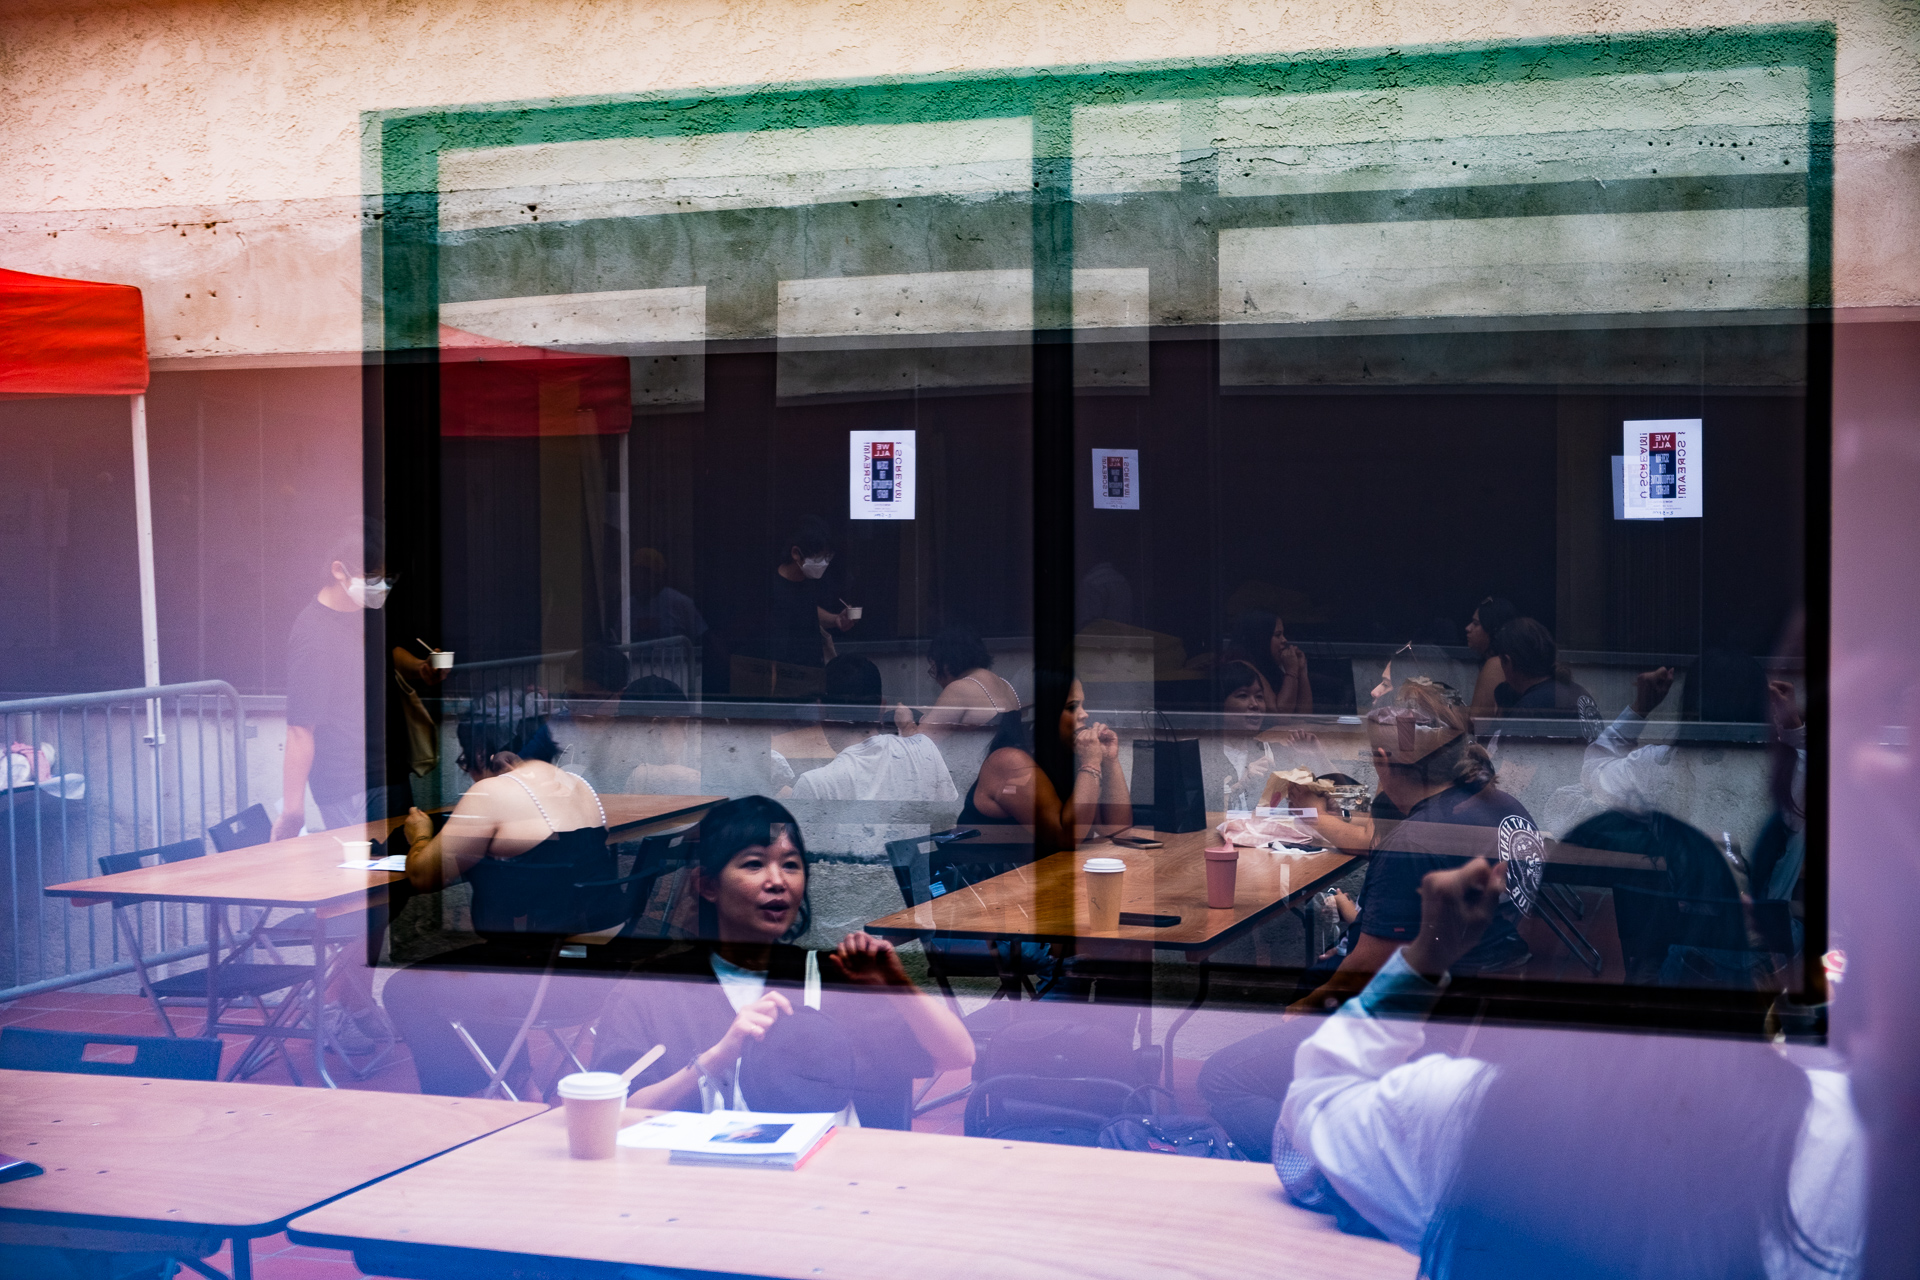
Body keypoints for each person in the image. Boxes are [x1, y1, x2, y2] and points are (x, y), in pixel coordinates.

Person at [1277, 858, 1864, 1277]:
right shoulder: (1849, 1136)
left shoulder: (1465, 1108)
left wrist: (1428, 953)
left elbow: (1319, 1099)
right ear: (1771, 981)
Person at [1197, 679, 1535, 1159]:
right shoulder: (1506, 808)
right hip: (1479, 1022)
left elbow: (1366, 972)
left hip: (1418, 1028)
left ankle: (1323, 1167)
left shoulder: (1416, 840)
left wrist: (1306, 1009)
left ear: (1382, 760)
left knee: (1223, 1077)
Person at [592, 796, 974, 1128]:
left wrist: (896, 985)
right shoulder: (654, 988)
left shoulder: (832, 976)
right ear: (707, 885)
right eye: (754, 864)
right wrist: (718, 1057)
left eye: (791, 865)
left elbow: (958, 1056)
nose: (778, 881)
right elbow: (614, 1113)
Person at [380, 708, 612, 1096]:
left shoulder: (493, 793)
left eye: (465, 761)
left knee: (405, 990)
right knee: (489, 958)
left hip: (537, 985)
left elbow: (424, 875)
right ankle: (514, 1080)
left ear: (481, 753)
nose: (468, 772)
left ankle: (465, 1098)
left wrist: (420, 834)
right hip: (594, 974)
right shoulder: (578, 785)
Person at [274, 522, 439, 839]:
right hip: (350, 781)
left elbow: (384, 654)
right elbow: (300, 729)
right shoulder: (313, 637)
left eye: (390, 578)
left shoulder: (366, 610)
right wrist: (292, 813)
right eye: (374, 577)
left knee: (404, 863)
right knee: (373, 868)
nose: (383, 586)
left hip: (390, 769)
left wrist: (420, 668)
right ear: (339, 570)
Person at [789, 655, 958, 858]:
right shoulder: (925, 750)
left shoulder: (814, 784)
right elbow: (947, 828)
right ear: (882, 707)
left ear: (821, 709)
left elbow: (801, 862)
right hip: (918, 878)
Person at [956, 678, 1131, 848]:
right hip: (993, 868)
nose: (1085, 714)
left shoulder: (1066, 756)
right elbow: (1065, 839)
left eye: (1083, 705)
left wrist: (1110, 760)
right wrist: (1090, 764)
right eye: (1072, 707)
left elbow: (1117, 830)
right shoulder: (1010, 760)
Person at [898, 624, 1021, 743]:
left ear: (945, 664)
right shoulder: (1004, 684)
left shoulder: (960, 689)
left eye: (934, 668)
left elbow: (919, 746)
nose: (936, 679)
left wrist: (905, 723)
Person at [765, 516, 857, 668]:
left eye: (828, 557)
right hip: (786, 672)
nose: (824, 563)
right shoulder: (772, 589)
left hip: (813, 670)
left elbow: (807, 610)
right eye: (819, 558)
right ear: (796, 553)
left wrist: (835, 619)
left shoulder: (809, 579)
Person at [1490, 617, 1601, 739]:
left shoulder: (1530, 708)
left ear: (1508, 662)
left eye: (1501, 661)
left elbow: (1510, 752)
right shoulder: (1579, 693)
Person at [1196, 660, 1276, 812]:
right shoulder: (1202, 753)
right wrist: (1242, 784)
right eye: (1243, 696)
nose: (1255, 704)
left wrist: (1315, 753)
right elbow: (1198, 809)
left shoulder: (1269, 751)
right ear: (1220, 704)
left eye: (1259, 697)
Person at [619, 675, 702, 795]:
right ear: (656, 728)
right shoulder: (648, 776)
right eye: (681, 725)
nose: (685, 737)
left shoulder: (613, 768)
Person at [1225, 610, 1311, 716]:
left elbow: (1305, 714)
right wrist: (1291, 671)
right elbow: (1279, 716)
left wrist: (1301, 671)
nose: (1284, 640)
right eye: (1278, 635)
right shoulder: (1242, 667)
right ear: (1260, 639)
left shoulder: (1269, 667)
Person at [630, 547, 707, 645]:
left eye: (645, 572)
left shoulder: (680, 602)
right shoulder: (628, 606)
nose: (640, 578)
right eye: (637, 572)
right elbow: (618, 640)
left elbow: (702, 636)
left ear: (658, 575)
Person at [1462, 596, 1517, 714]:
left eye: (1476, 624)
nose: (1468, 628)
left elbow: (1476, 720)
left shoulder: (1497, 664)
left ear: (1492, 629)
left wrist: (1436, 707)